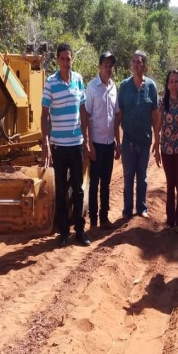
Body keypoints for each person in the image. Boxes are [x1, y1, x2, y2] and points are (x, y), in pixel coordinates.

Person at [41, 43, 91, 247]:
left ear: (72, 59)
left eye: (69, 58)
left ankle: (79, 231)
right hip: (59, 147)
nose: (66, 62)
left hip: (76, 144)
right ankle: (63, 232)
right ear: (57, 60)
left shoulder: (78, 80)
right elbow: (44, 115)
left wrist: (86, 138)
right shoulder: (50, 83)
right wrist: (45, 142)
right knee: (61, 190)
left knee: (78, 189)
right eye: (62, 58)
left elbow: (83, 111)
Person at [114, 50, 160, 219]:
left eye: (139, 62)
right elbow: (119, 114)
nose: (135, 64)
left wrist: (157, 138)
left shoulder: (151, 87)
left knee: (143, 178)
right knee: (128, 177)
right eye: (133, 61)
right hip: (128, 142)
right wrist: (117, 140)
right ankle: (127, 211)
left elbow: (155, 114)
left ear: (145, 66)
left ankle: (141, 208)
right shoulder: (124, 86)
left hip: (145, 141)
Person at [153, 70, 178, 233]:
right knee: (170, 184)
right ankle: (169, 220)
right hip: (166, 150)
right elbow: (157, 127)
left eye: (176, 81)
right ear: (167, 84)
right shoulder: (163, 103)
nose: (174, 84)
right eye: (171, 81)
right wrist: (156, 148)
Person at [85, 51, 119, 230]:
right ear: (99, 66)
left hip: (109, 143)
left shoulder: (114, 87)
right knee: (94, 183)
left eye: (110, 65)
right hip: (96, 143)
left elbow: (116, 116)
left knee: (106, 182)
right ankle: (93, 221)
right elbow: (86, 115)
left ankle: (104, 218)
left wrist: (117, 142)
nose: (108, 68)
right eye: (105, 64)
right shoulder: (92, 87)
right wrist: (89, 143)